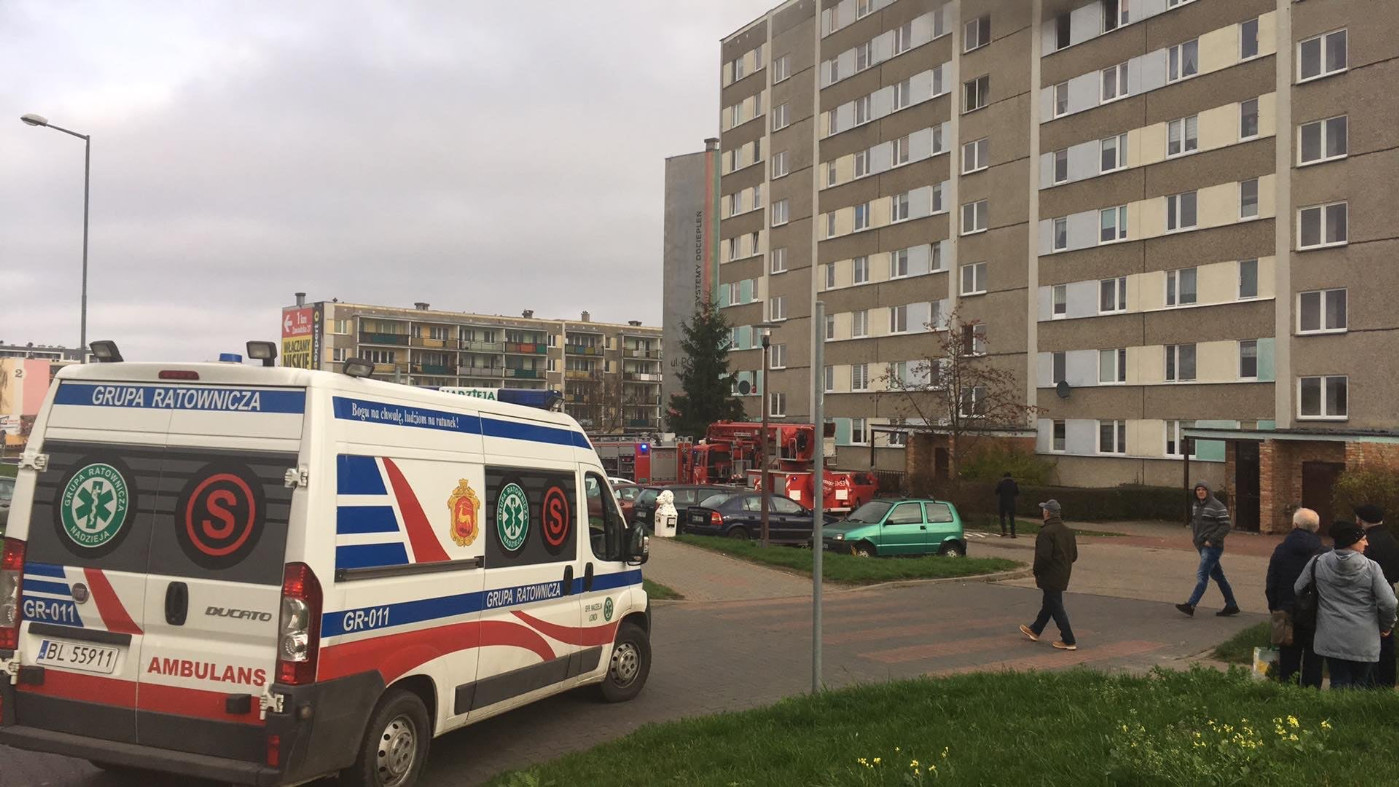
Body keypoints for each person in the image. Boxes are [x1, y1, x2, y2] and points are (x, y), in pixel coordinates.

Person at [1295, 522, 1397, 689]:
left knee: (1338, 680)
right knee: (1360, 684)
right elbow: (1389, 602)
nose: (1366, 543)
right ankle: (1353, 706)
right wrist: (1387, 625)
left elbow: (1298, 588)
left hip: (1330, 635)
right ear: (1351, 542)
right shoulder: (1371, 568)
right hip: (1364, 638)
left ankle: (1338, 705)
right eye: (1363, 539)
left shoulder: (1317, 562)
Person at [1264, 507, 1325, 687]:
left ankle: (1287, 693)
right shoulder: (1324, 552)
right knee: (1314, 659)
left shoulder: (1281, 550)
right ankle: (1311, 693)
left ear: (1295, 525)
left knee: (1287, 660)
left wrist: (1275, 607)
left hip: (1286, 610)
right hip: (1315, 612)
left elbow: (1272, 582)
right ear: (1316, 527)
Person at [1019, 499, 1078, 651]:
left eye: (1044, 510)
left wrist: (1036, 571)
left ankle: (1069, 639)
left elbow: (1043, 557)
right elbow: (1074, 556)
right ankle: (1035, 629)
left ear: (1047, 513)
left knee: (1056, 606)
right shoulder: (1068, 532)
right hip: (1063, 573)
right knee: (1049, 603)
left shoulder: (1046, 532)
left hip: (1050, 574)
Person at [1176, 481, 1240, 617]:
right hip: (1201, 546)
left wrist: (1211, 540)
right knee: (1219, 576)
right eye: (1198, 489)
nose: (1200, 492)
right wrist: (1196, 540)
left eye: (1203, 489)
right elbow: (1195, 524)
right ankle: (1231, 605)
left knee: (1202, 575)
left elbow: (1226, 525)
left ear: (1208, 491)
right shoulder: (1196, 505)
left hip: (1212, 547)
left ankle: (1191, 605)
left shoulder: (1217, 505)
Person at [1357, 504, 1399, 688]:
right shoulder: (1392, 540)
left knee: (1369, 642)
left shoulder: (1365, 543)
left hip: (1368, 596)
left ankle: (1371, 683)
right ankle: (1387, 682)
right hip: (1388, 590)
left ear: (1360, 521)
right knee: (1387, 638)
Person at [994, 472, 1020, 538]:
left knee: (1002, 517)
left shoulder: (1001, 483)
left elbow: (996, 492)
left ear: (1004, 477)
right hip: (1011, 502)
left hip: (1002, 502)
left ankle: (1004, 531)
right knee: (1011, 518)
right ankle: (1013, 533)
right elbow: (1017, 493)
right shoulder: (1014, 483)